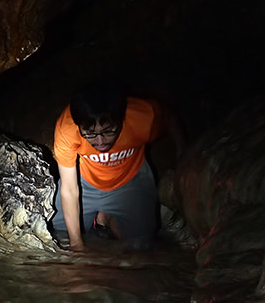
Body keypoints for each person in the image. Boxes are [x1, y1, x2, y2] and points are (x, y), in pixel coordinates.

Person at [50, 82, 182, 251]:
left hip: (129, 180)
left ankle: (106, 218)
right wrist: (77, 245)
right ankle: (99, 217)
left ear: (121, 119)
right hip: (85, 182)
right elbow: (69, 189)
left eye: (108, 131)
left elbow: (170, 116)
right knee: (59, 233)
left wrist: (182, 152)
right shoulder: (67, 128)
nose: (100, 142)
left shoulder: (143, 117)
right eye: (90, 134)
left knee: (141, 245)